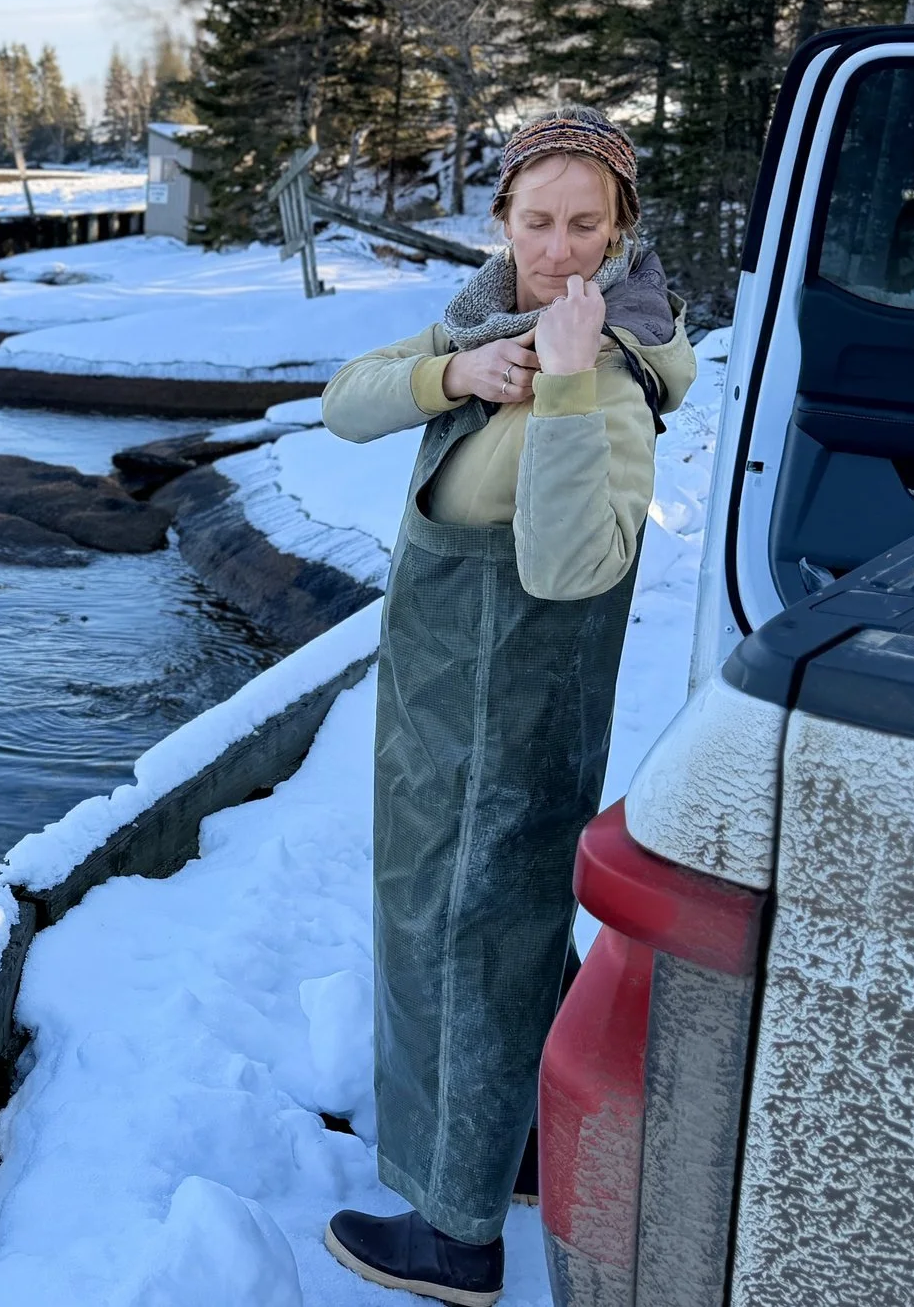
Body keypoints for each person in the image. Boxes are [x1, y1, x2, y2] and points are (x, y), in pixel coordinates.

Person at [316, 108, 697, 1306]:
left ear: (622, 229)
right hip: (451, 709)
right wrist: (454, 371)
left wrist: (571, 389)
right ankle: (522, 1139)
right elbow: (346, 399)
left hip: (502, 714)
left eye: (587, 223)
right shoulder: (495, 315)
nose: (560, 248)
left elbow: (573, 565)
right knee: (507, 928)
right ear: (504, 223)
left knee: (457, 942)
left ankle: (452, 1226)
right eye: (538, 220)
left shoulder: (613, 370)